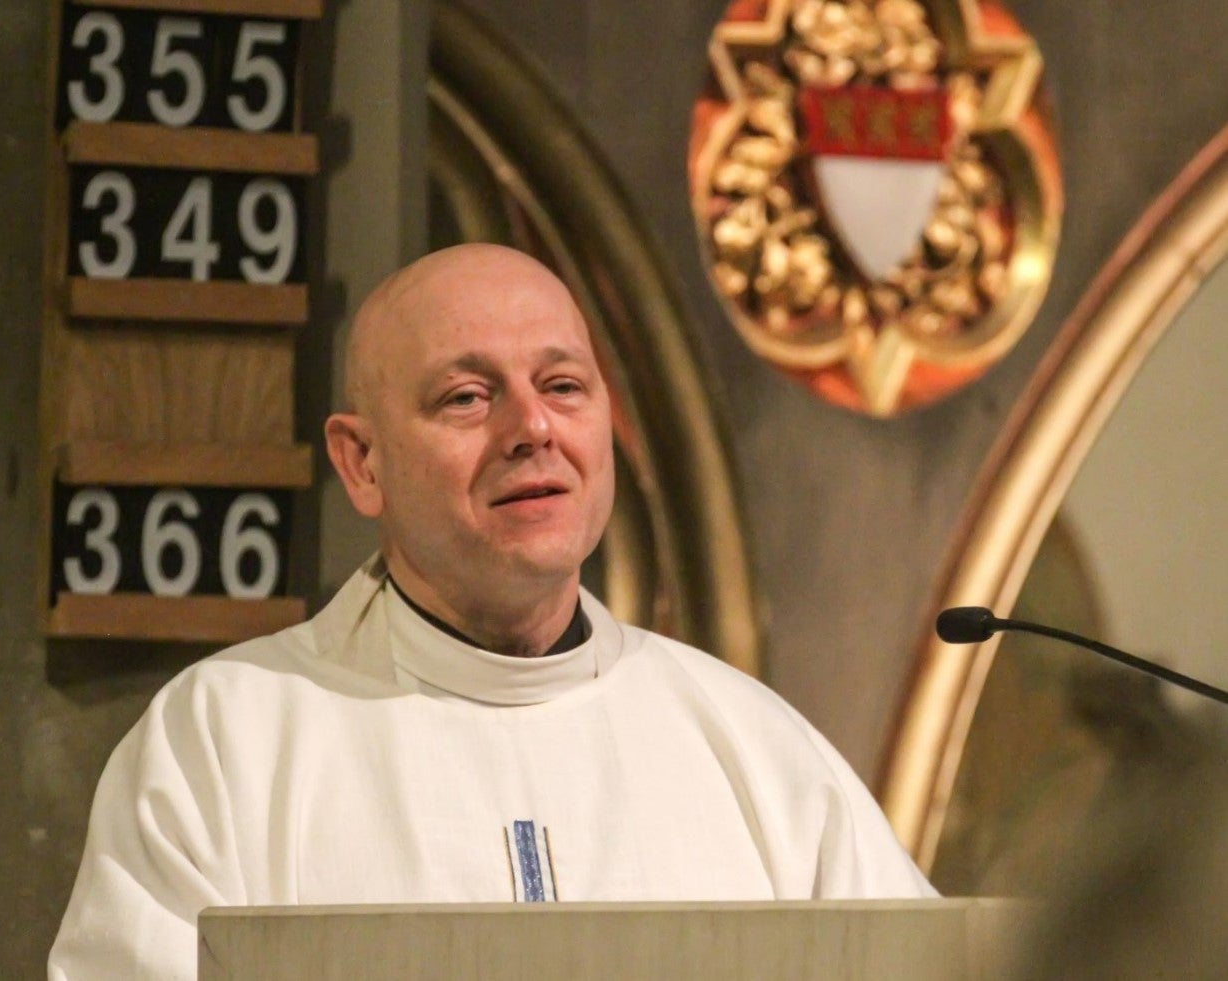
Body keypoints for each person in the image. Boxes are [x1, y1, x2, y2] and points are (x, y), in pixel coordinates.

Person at [48, 244, 934, 979]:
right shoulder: (226, 741)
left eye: (563, 386)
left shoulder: (751, 749)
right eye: (466, 397)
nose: (531, 427)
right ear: (362, 463)